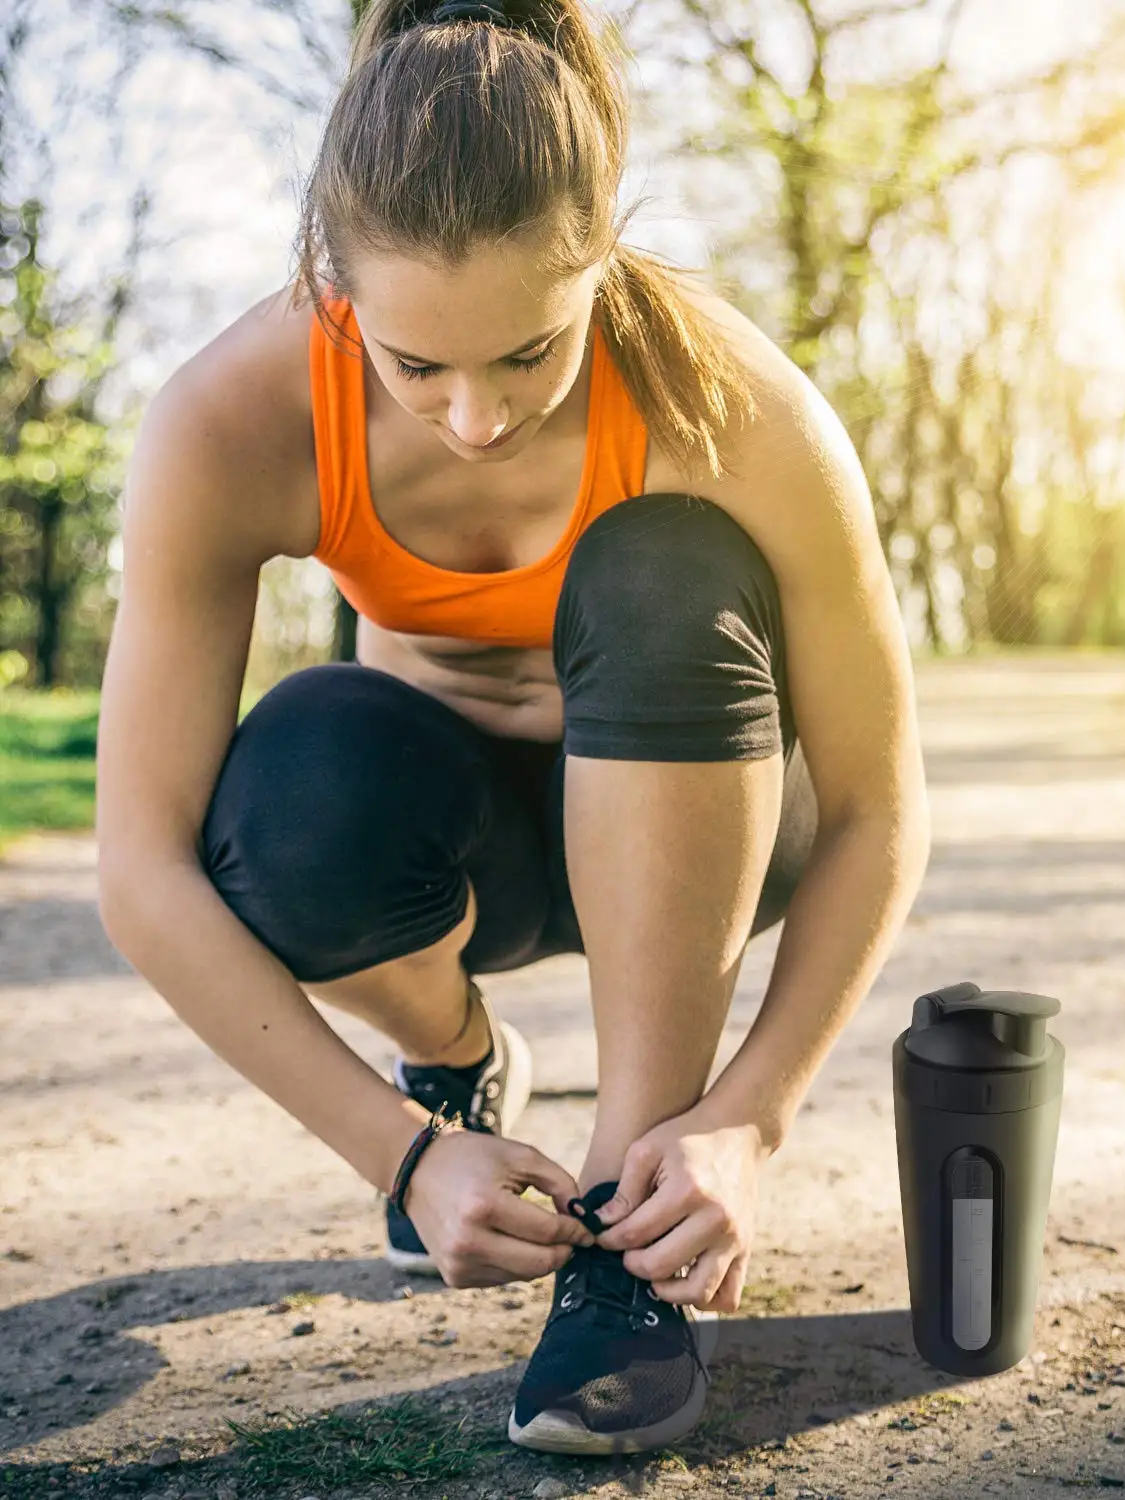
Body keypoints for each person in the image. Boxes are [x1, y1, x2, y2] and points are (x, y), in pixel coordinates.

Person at [95, 0, 930, 1460]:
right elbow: (141, 868)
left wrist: (751, 1116)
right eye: (416, 367)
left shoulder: (740, 410)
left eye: (529, 354)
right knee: (298, 781)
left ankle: (624, 1244)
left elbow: (877, 807)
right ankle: (464, 1058)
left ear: (604, 249)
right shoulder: (228, 423)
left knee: (663, 565)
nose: (474, 418)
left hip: (721, 821)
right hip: (460, 851)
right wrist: (405, 1155)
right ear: (330, 278)